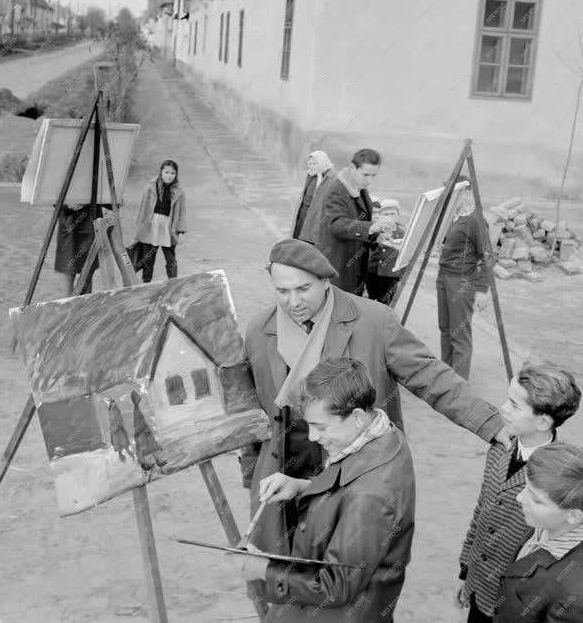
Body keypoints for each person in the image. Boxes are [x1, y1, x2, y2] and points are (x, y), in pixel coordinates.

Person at [239, 238, 510, 559]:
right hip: (286, 460)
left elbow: (430, 376)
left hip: (355, 463)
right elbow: (251, 410)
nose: (293, 302)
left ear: (325, 282)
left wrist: (490, 423)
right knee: (287, 562)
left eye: (303, 289)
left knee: (349, 563)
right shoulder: (260, 329)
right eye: (282, 292)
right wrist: (251, 471)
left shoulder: (373, 321)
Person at [233, 357, 415, 622]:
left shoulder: (371, 496)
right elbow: (348, 497)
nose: (313, 437)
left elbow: (336, 585)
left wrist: (264, 568)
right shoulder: (381, 434)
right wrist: (301, 486)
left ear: (356, 417)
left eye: (321, 426)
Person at [456, 360, 581, 623]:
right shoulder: (500, 447)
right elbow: (481, 511)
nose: (503, 408)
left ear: (543, 421)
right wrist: (466, 571)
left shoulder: (557, 481)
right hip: (479, 586)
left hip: (516, 601)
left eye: (514, 405)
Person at [494, 443, 583, 622]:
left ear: (573, 516)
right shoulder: (547, 522)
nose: (519, 498)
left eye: (535, 498)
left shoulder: (573, 596)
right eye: (526, 487)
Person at [315, 148, 395, 295]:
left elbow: (361, 222)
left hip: (352, 267)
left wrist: (378, 236)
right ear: (353, 168)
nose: (369, 180)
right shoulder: (337, 189)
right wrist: (372, 227)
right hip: (338, 266)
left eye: (373, 175)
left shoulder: (359, 187)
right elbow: (336, 224)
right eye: (366, 174)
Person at [437, 175, 490, 380]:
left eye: (454, 193)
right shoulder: (455, 216)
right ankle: (445, 375)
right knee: (445, 329)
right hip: (444, 277)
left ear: (467, 193)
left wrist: (481, 290)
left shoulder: (476, 219)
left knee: (460, 336)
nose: (449, 197)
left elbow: (488, 256)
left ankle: (458, 385)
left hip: (461, 280)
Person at [133, 159, 186, 282]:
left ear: (176, 175)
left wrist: (181, 232)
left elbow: (182, 213)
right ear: (161, 172)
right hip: (151, 225)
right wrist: (140, 228)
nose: (169, 176)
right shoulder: (151, 187)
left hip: (169, 227)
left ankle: (173, 283)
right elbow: (143, 207)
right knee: (148, 259)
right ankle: (146, 284)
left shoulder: (179, 193)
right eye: (166, 172)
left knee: (171, 258)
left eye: (172, 173)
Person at [54, 202, 112, 296]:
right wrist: (68, 205)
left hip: (90, 220)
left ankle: (84, 305)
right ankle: (67, 305)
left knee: (87, 270)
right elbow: (55, 198)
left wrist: (114, 205)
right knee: (68, 269)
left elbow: (108, 199)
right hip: (70, 223)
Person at [366, 197, 406, 305]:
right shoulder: (375, 229)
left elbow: (407, 257)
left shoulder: (403, 233)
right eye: (385, 214)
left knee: (384, 304)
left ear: (398, 215)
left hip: (390, 276)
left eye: (392, 214)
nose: (389, 217)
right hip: (372, 272)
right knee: (368, 301)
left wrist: (399, 275)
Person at [291, 151, 335, 243]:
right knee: (299, 238)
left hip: (317, 216)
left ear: (323, 162)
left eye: (315, 163)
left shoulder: (331, 178)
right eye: (310, 164)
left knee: (311, 240)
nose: (312, 166)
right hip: (304, 213)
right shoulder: (311, 175)